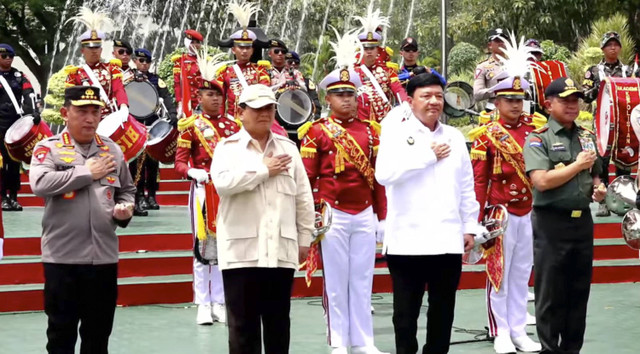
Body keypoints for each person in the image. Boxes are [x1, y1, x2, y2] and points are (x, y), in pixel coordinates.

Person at [298, 29, 387, 354]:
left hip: (364, 211)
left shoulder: (371, 132)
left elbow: (378, 179)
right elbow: (306, 180)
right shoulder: (316, 132)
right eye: (340, 94)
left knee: (362, 280)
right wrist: (308, 219)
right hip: (332, 214)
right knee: (335, 283)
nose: (347, 99)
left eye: (351, 94)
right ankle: (338, 341)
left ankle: (363, 341)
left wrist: (382, 217)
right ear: (329, 99)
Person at [375, 72, 478, 354]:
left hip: (447, 239)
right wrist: (427, 156)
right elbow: (384, 174)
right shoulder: (396, 132)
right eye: (426, 96)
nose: (434, 102)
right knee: (405, 316)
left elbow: (466, 186)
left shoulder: (455, 137)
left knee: (443, 313)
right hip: (408, 241)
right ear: (410, 101)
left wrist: (469, 225)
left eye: (439, 96)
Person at [29, 85, 136, 354]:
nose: (90, 118)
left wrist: (125, 209)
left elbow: (126, 189)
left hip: (103, 258)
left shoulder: (112, 149)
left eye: (95, 112)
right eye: (82, 111)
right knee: (60, 334)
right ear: (65, 113)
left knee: (98, 335)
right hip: (62, 258)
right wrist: (84, 173)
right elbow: (39, 183)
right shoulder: (48, 149)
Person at [210, 83, 314, 354]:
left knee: (279, 326)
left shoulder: (289, 149)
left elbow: (303, 198)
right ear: (241, 112)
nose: (264, 114)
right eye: (257, 108)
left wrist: (305, 238)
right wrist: (262, 170)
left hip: (281, 250)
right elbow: (222, 183)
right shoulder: (228, 147)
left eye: (269, 108)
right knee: (243, 329)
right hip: (241, 252)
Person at [523, 77, 607, 354]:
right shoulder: (539, 138)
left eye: (576, 100)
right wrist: (576, 165)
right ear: (549, 104)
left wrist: (598, 188)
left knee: (578, 292)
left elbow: (595, 172)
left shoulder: (585, 135)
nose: (573, 106)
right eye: (566, 100)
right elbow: (542, 181)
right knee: (550, 294)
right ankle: (550, 349)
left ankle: (573, 349)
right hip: (551, 223)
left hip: (582, 221)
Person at [469, 70, 542, 353]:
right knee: (498, 274)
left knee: (522, 273)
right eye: (508, 99)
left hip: (529, 210)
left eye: (519, 99)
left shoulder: (535, 129)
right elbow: (478, 181)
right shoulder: (486, 135)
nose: (515, 104)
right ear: (496, 102)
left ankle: (519, 330)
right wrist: (476, 222)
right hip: (500, 213)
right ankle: (500, 331)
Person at [174, 51, 238, 325]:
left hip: (228, 191)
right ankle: (203, 301)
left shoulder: (233, 126)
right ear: (199, 98)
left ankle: (221, 300)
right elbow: (179, 163)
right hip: (202, 190)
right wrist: (192, 171)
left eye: (218, 94)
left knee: (226, 246)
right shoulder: (191, 127)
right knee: (202, 247)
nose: (214, 98)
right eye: (208, 94)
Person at [582, 31, 633, 216]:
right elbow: (585, 96)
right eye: (609, 44)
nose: (613, 47)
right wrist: (601, 87)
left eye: (616, 44)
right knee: (601, 161)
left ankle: (622, 200)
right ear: (603, 48)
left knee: (625, 160)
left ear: (620, 48)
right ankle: (603, 201)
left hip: (624, 122)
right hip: (602, 122)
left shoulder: (629, 70)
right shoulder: (594, 71)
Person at [128, 48, 178, 215]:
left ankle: (152, 195)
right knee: (137, 163)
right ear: (135, 61)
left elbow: (167, 97)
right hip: (135, 124)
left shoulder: (156, 80)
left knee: (153, 162)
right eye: (141, 61)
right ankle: (139, 195)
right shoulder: (127, 78)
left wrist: (172, 114)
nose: (144, 64)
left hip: (153, 123)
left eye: (147, 61)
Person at [65, 8, 128, 119]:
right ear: (82, 51)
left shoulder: (112, 68)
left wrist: (123, 106)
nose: (94, 51)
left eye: (97, 47)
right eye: (90, 48)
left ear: (101, 50)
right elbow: (70, 102)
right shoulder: (74, 74)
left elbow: (119, 89)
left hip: (110, 118)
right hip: (86, 120)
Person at [216, 3, 271, 121]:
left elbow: (264, 95)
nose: (244, 51)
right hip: (233, 121)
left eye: (248, 47)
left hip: (254, 120)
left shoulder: (261, 71)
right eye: (241, 47)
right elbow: (219, 100)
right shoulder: (225, 72)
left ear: (252, 50)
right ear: (233, 49)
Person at [354, 6, 407, 123]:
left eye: (372, 48)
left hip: (384, 121)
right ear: (360, 50)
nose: (369, 51)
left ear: (377, 50)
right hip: (360, 122)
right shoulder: (353, 71)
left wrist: (405, 102)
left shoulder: (387, 70)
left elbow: (397, 88)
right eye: (365, 48)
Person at [0, 43, 37, 211]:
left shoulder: (18, 75)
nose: (7, 59)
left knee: (14, 161)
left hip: (14, 125)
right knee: (0, 162)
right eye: (4, 56)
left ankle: (13, 196)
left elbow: (29, 94)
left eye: (10, 56)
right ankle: (2, 197)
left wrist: (33, 113)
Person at [474, 28, 507, 112]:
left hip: (515, 109)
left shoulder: (516, 64)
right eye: (497, 40)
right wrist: (497, 90)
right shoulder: (483, 66)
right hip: (493, 109)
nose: (501, 43)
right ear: (490, 45)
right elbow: (477, 94)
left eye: (503, 40)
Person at [172, 29, 203, 119]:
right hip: (186, 101)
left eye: (197, 42)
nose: (195, 45)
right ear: (187, 43)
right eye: (192, 42)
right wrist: (180, 103)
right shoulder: (180, 61)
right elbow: (177, 84)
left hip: (201, 102)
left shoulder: (204, 60)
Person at [286, 51, 321, 119]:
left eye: (296, 62)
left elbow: (315, 101)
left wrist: (316, 117)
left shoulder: (307, 82)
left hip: (301, 117)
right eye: (290, 62)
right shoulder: (278, 80)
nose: (293, 64)